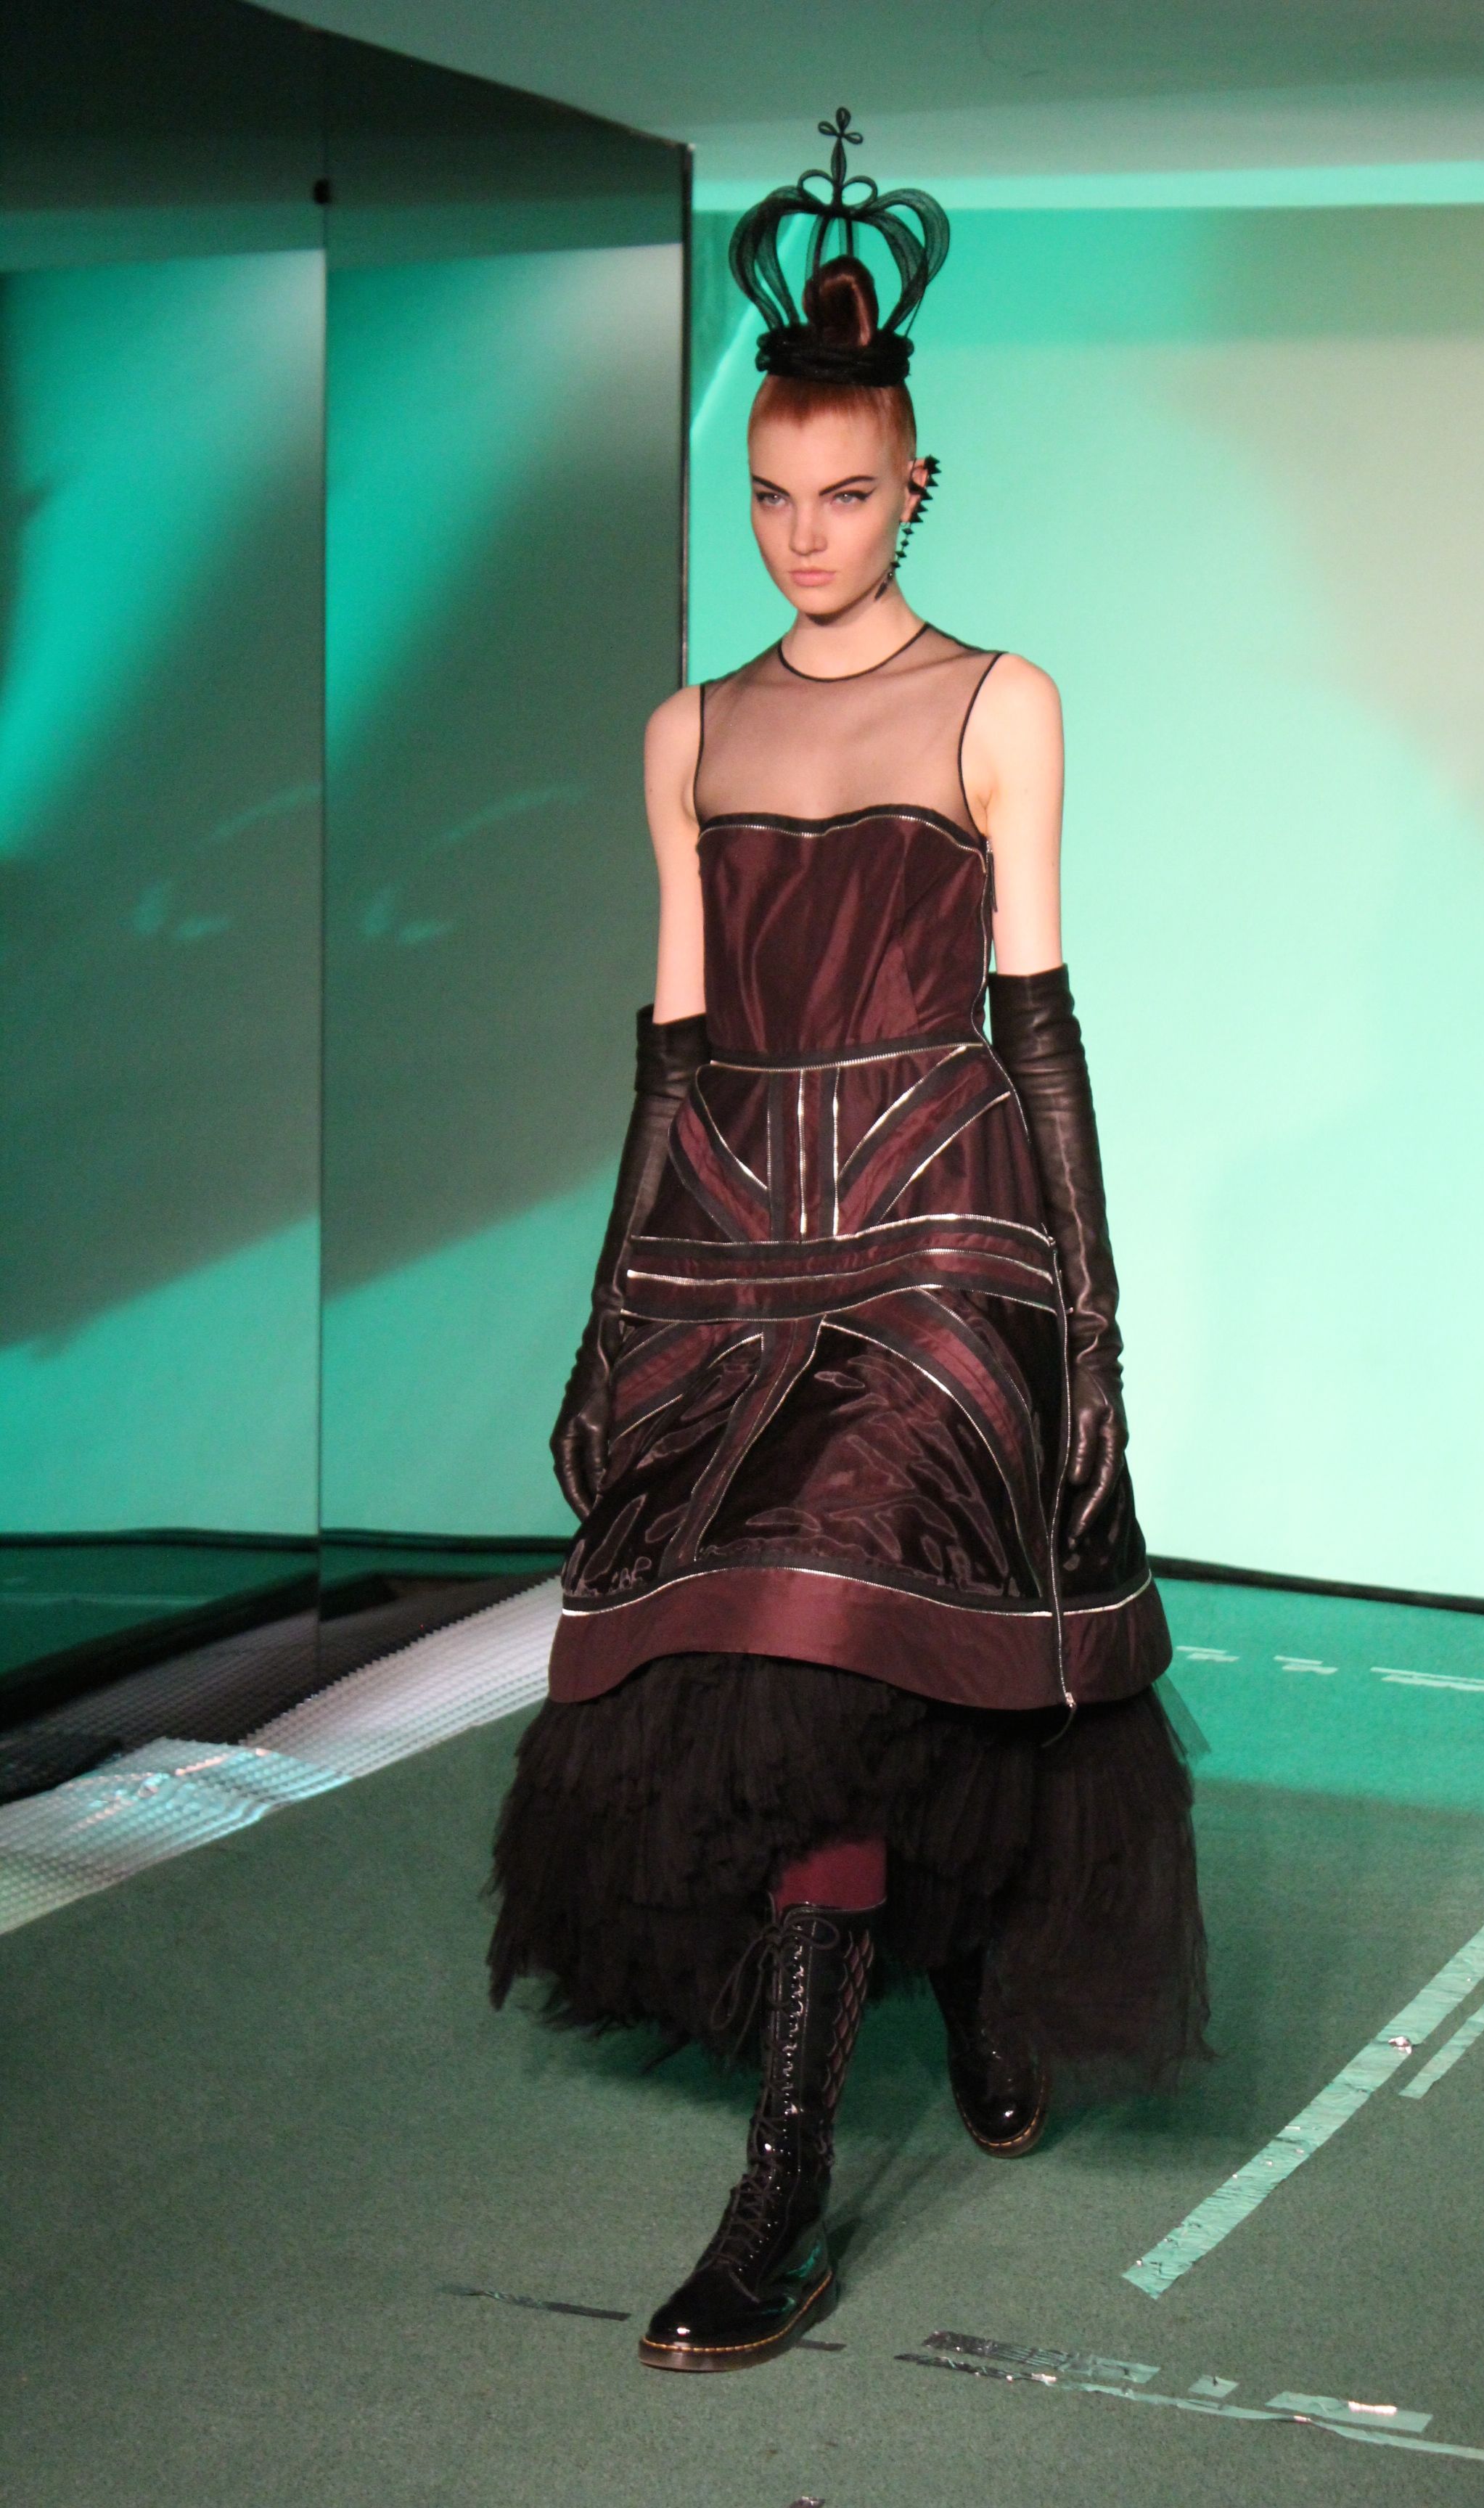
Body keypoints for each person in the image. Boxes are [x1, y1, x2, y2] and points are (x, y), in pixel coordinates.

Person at [488, 108, 1208, 2374]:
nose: (806, 533)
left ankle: (781, 2192)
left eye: (846, 493)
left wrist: (1091, 1326)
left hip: (941, 1236)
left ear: (918, 486)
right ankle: (964, 1964)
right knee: (779, 1667)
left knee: (825, 1661)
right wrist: (607, 1314)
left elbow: (1040, 1028)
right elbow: (672, 1053)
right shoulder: (687, 732)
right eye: (770, 495)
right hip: (724, 1255)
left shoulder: (1004, 703)